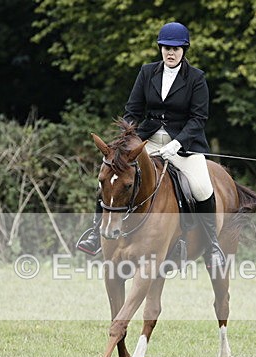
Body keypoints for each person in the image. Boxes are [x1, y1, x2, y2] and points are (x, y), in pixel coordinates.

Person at [76, 21, 225, 269]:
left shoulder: (197, 78)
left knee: (201, 187)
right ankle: (95, 232)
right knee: (108, 176)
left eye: (176, 49)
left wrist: (177, 144)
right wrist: (125, 139)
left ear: (184, 50)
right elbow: (132, 111)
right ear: (160, 48)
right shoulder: (147, 72)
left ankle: (212, 247)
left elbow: (198, 119)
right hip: (148, 142)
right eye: (166, 47)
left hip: (184, 145)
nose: (170, 52)